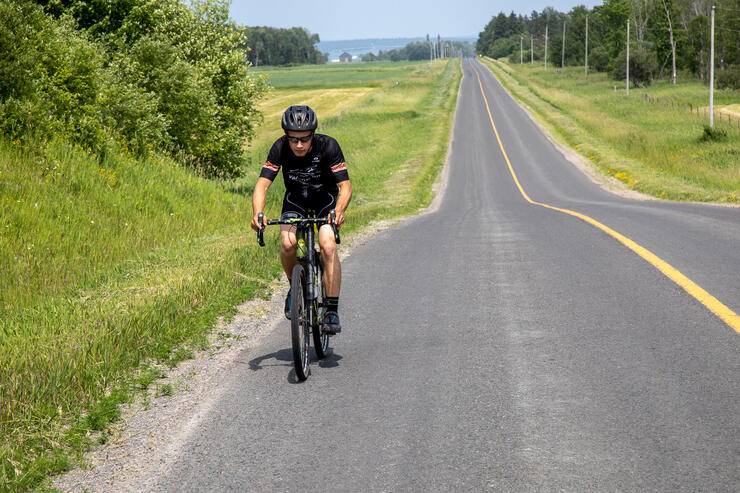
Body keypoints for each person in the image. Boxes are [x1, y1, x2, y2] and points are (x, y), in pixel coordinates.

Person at [251, 105, 352, 334]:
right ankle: (293, 288)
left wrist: (339, 210)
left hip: (325, 202)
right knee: (288, 244)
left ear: (313, 135)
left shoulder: (329, 146)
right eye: (293, 139)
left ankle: (331, 310)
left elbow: (344, 186)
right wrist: (258, 213)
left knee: (327, 246)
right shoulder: (279, 148)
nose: (298, 145)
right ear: (287, 136)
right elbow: (262, 184)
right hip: (295, 201)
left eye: (304, 139)